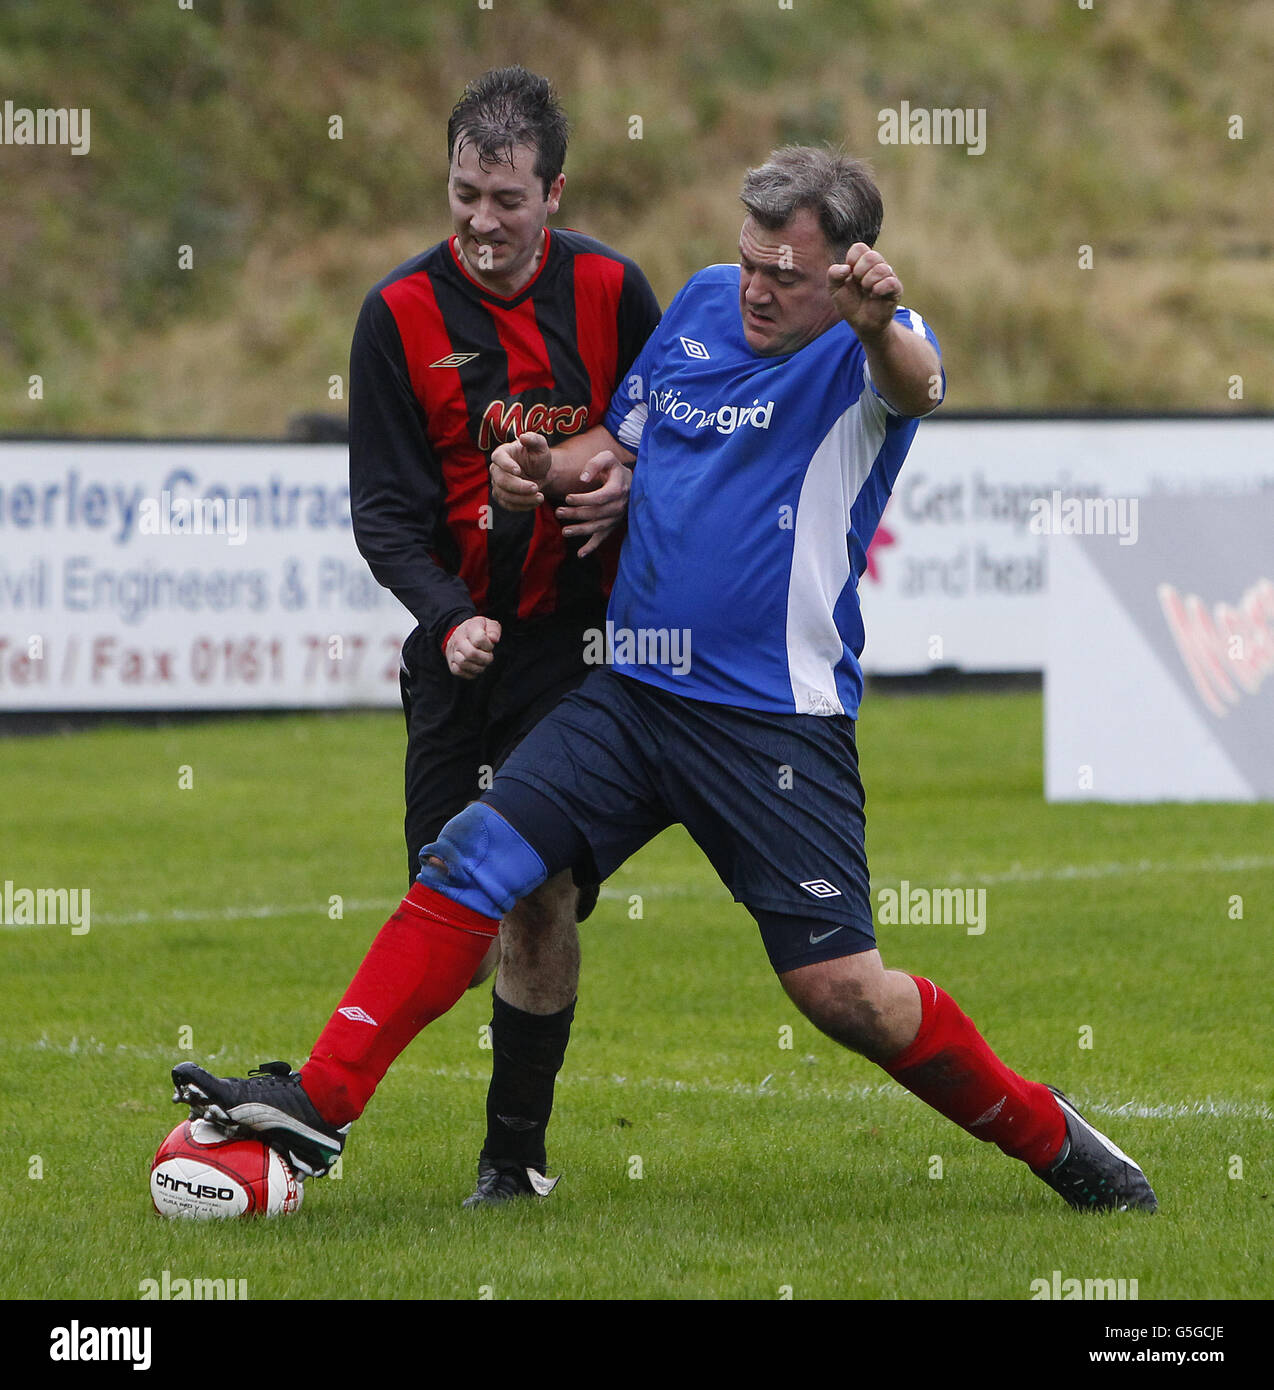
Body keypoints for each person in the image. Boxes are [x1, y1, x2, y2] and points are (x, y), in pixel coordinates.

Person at [173, 145, 1156, 1213]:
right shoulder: (694, 306)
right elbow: (614, 439)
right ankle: (317, 1103)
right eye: (748, 260)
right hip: (631, 692)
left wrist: (875, 322)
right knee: (474, 856)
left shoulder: (875, 346)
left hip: (771, 728)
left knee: (843, 996)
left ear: (848, 270)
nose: (757, 287)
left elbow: (914, 385)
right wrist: (541, 467)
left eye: (786, 272)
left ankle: (1046, 1131)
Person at [307, 66, 659, 1204]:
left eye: (507, 198)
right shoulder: (395, 315)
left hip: (574, 652)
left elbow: (674, 437)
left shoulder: (614, 291)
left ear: (554, 192)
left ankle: (514, 1161)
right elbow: (385, 516)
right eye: (464, 193)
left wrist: (627, 484)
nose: (482, 220)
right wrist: (448, 617)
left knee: (538, 894)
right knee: (452, 921)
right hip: (458, 654)